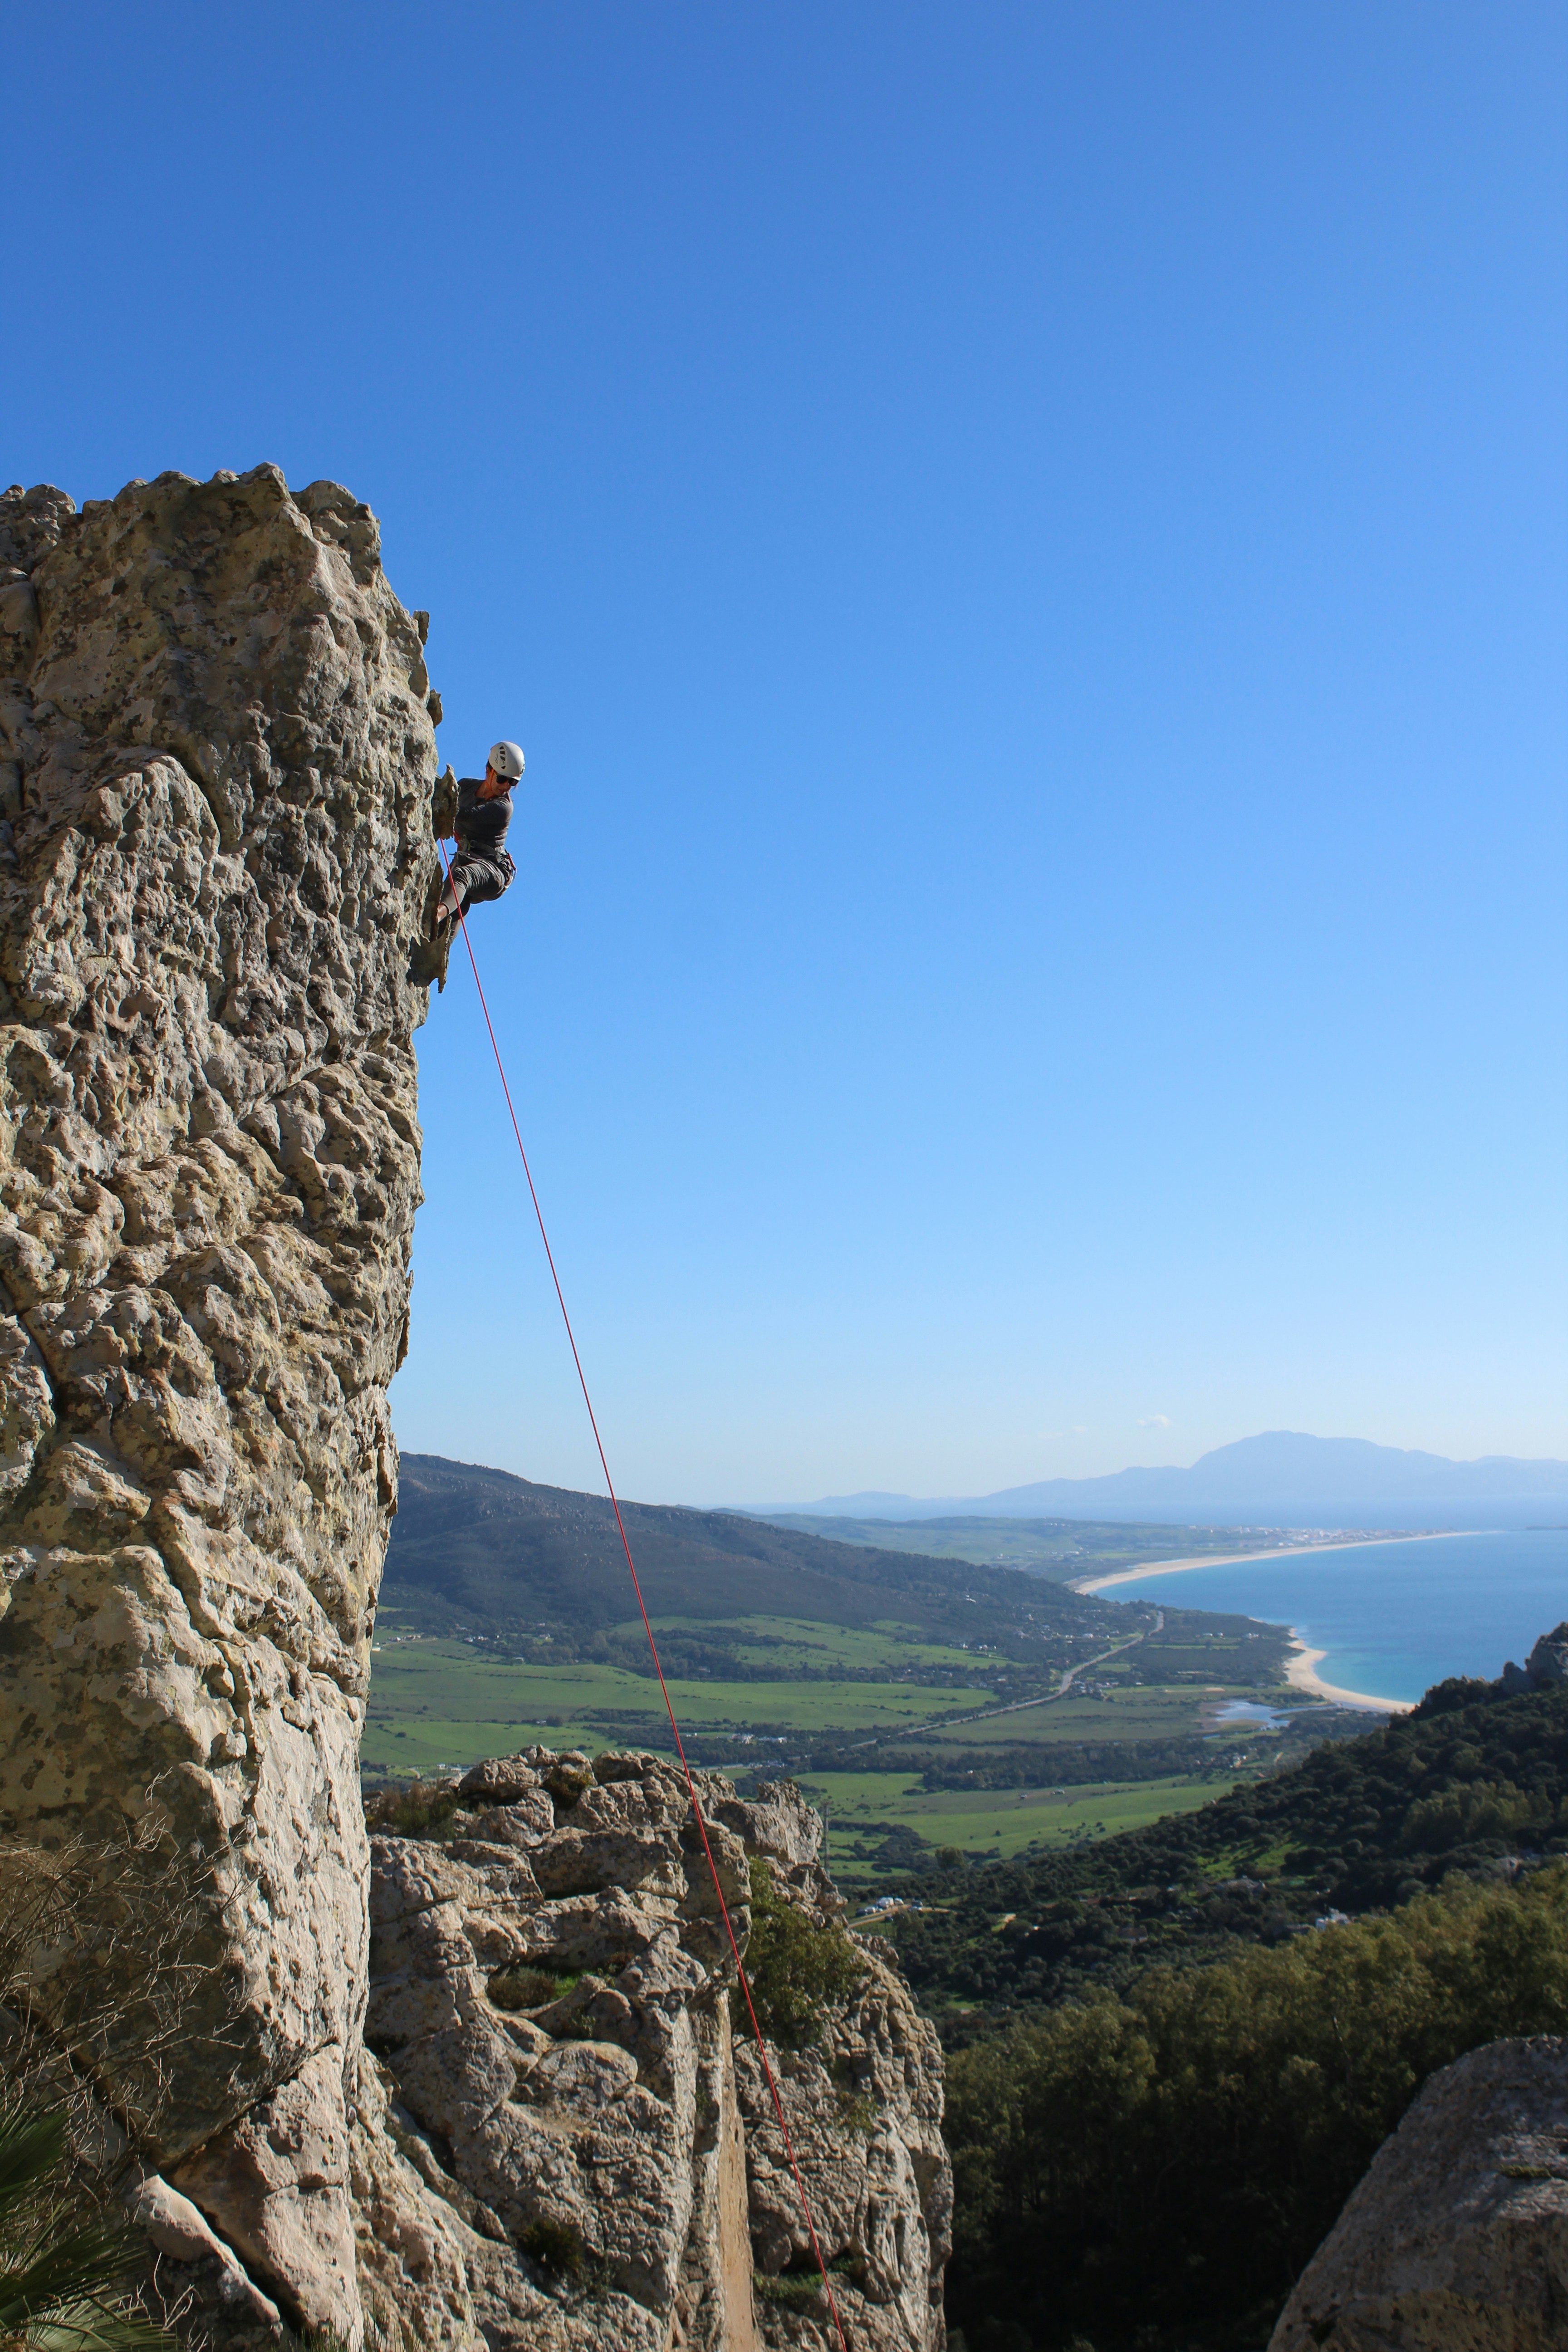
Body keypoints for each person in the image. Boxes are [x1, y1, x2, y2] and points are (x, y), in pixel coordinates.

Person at [431, 740, 524, 931]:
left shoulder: (504, 807)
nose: (507, 786)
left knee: (462, 876)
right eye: (502, 779)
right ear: (489, 770)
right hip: (465, 860)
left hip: (493, 870)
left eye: (513, 782)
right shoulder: (466, 787)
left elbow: (466, 815)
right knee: (454, 899)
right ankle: (438, 938)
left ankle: (435, 916)